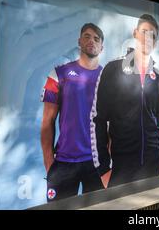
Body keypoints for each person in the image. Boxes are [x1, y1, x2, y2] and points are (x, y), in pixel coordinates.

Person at [91, 14, 159, 188]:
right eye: (144, 32)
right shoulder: (113, 70)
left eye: (153, 36)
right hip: (122, 168)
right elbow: (99, 120)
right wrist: (103, 168)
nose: (148, 38)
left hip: (153, 166)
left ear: (155, 42)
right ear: (135, 33)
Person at [41, 23, 104, 202]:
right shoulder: (59, 74)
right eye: (87, 36)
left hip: (97, 163)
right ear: (79, 41)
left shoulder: (107, 78)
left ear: (102, 47)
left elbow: (111, 124)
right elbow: (47, 121)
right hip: (64, 163)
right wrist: (49, 164)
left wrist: (108, 162)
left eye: (96, 38)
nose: (91, 40)